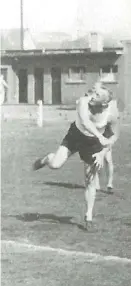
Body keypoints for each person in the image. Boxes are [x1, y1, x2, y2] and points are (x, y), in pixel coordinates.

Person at [32, 85, 120, 230]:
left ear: (104, 104)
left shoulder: (112, 114)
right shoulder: (83, 102)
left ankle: (88, 216)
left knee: (90, 180)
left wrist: (102, 153)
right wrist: (100, 136)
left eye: (97, 95)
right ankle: (47, 158)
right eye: (94, 93)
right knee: (55, 165)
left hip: (92, 145)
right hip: (75, 136)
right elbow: (85, 122)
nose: (92, 96)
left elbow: (114, 136)